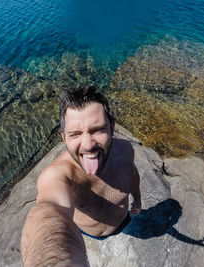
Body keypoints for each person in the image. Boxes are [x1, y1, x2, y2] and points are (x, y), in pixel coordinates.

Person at [21, 85, 142, 266]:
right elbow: (48, 213)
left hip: (122, 222)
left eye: (98, 130)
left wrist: (137, 199)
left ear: (112, 127)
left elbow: (132, 174)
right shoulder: (58, 175)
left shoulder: (126, 151)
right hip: (87, 232)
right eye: (75, 134)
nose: (88, 145)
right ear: (64, 137)